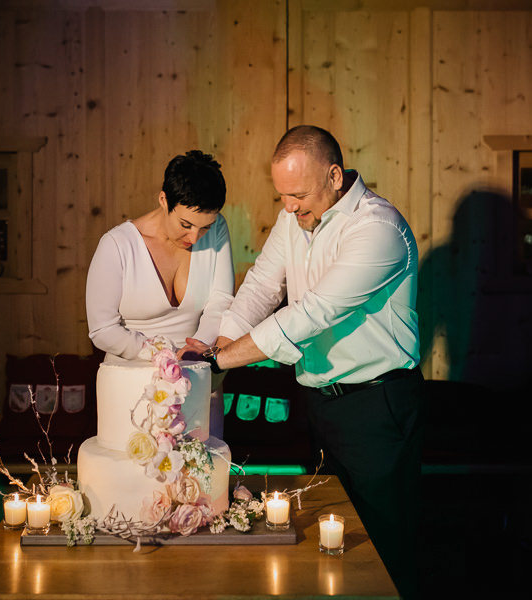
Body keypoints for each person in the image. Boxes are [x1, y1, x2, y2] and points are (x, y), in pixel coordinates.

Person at [183, 126, 425, 598]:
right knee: (334, 544)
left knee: (385, 546)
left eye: (297, 194)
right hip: (321, 405)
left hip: (378, 407)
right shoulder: (295, 217)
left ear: (334, 176)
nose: (289, 207)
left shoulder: (379, 229)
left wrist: (219, 361)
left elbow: (310, 315)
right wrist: (216, 349)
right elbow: (260, 287)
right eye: (282, 196)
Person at [86, 150, 234, 436]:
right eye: (185, 225)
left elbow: (221, 301)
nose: (194, 238)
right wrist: (163, 354)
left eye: (204, 228)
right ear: (164, 200)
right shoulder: (116, 245)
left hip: (198, 378)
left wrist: (196, 351)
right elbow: (102, 330)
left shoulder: (218, 230)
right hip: (130, 386)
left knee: (200, 475)